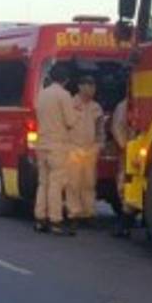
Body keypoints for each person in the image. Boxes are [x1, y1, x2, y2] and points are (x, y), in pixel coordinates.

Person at [33, 62, 75, 235]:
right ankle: (55, 220)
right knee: (56, 184)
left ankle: (40, 219)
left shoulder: (41, 95)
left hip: (42, 144)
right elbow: (70, 121)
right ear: (65, 80)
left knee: (43, 183)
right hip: (58, 145)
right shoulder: (64, 96)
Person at [63, 75, 105, 233]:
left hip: (90, 150)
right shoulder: (70, 104)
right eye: (88, 85)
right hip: (73, 149)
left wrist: (99, 145)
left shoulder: (96, 107)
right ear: (80, 87)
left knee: (89, 183)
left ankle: (89, 213)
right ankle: (73, 214)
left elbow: (100, 129)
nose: (92, 89)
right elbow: (64, 126)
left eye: (93, 86)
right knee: (73, 184)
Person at [109, 97, 134, 237]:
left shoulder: (123, 105)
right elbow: (117, 128)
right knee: (125, 184)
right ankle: (126, 223)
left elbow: (116, 127)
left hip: (131, 150)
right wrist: (125, 146)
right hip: (130, 151)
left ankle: (125, 223)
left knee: (125, 184)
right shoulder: (124, 106)